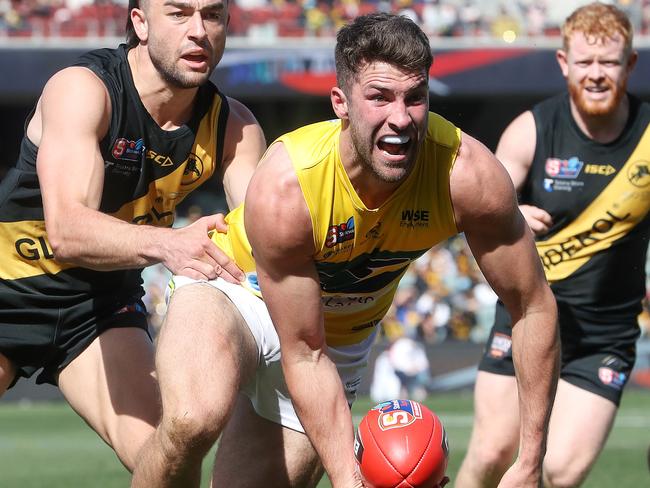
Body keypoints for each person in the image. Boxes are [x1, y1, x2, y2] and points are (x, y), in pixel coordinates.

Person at [132, 13, 559, 488]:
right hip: (233, 284)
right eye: (379, 97)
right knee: (193, 418)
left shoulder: (469, 175)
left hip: (335, 335)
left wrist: (530, 460)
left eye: (415, 98)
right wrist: (347, 479)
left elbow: (532, 307)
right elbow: (303, 352)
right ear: (341, 103)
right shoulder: (288, 185)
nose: (400, 118)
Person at [0, 0, 265, 473]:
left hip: (99, 305)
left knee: (169, 457)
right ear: (140, 23)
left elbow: (268, 238)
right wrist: (170, 243)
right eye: (179, 14)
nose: (199, 31)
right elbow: (67, 230)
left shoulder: (236, 129)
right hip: (9, 287)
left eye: (213, 15)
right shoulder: (83, 89)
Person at [457, 3, 649, 487]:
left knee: (559, 471)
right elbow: (478, 205)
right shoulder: (531, 130)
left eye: (608, 62)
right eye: (585, 62)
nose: (597, 74)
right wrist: (509, 213)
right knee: (492, 450)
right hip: (525, 316)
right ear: (564, 63)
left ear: (629, 65)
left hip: (603, 337)